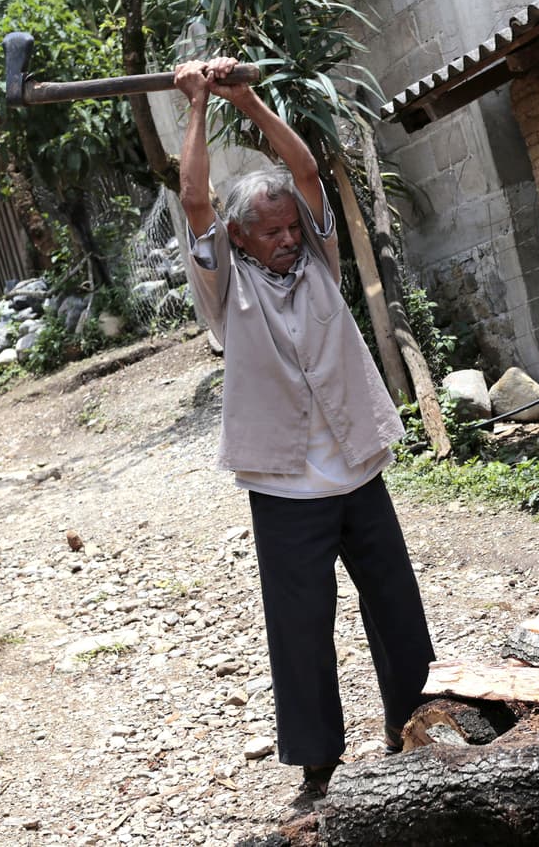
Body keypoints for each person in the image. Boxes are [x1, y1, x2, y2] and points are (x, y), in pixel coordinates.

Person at [173, 57, 436, 796]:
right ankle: (319, 766)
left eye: (292, 226)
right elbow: (193, 198)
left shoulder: (320, 261)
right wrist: (196, 104)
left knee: (396, 606)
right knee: (300, 624)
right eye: (272, 231)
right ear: (239, 237)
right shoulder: (225, 286)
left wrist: (248, 100)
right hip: (286, 484)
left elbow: (307, 170)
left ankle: (417, 724)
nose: (289, 238)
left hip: (357, 466)